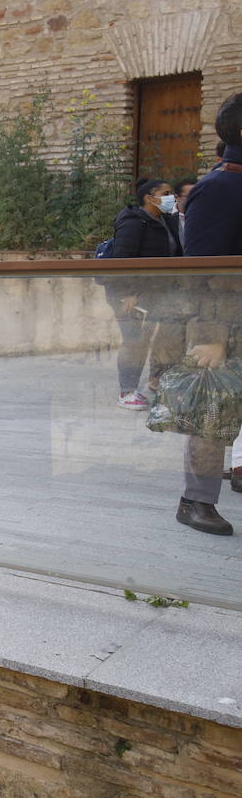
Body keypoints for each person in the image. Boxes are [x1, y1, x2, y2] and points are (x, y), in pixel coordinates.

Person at [174, 93, 242, 536]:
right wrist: (216, 336)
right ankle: (195, 501)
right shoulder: (218, 187)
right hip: (220, 325)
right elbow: (199, 271)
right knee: (211, 417)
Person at [106, 178, 181, 410]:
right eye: (166, 193)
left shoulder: (165, 220)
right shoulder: (133, 222)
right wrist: (127, 293)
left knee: (163, 337)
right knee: (134, 341)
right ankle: (127, 391)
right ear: (149, 198)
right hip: (130, 295)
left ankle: (158, 382)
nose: (172, 197)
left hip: (157, 292)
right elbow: (122, 259)